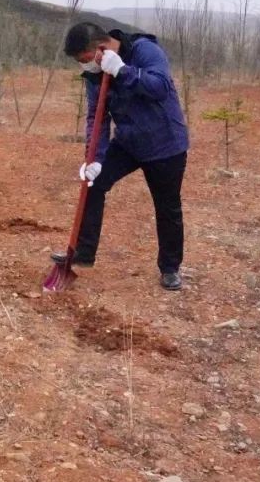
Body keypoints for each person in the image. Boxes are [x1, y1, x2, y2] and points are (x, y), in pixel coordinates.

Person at [51, 20, 189, 291]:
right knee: (93, 184)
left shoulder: (145, 51)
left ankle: (170, 268)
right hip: (129, 143)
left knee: (167, 207)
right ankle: (82, 252)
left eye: (84, 59)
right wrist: (95, 159)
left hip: (165, 143)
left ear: (101, 48)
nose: (83, 66)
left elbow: (160, 87)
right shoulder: (94, 74)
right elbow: (97, 117)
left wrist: (123, 71)